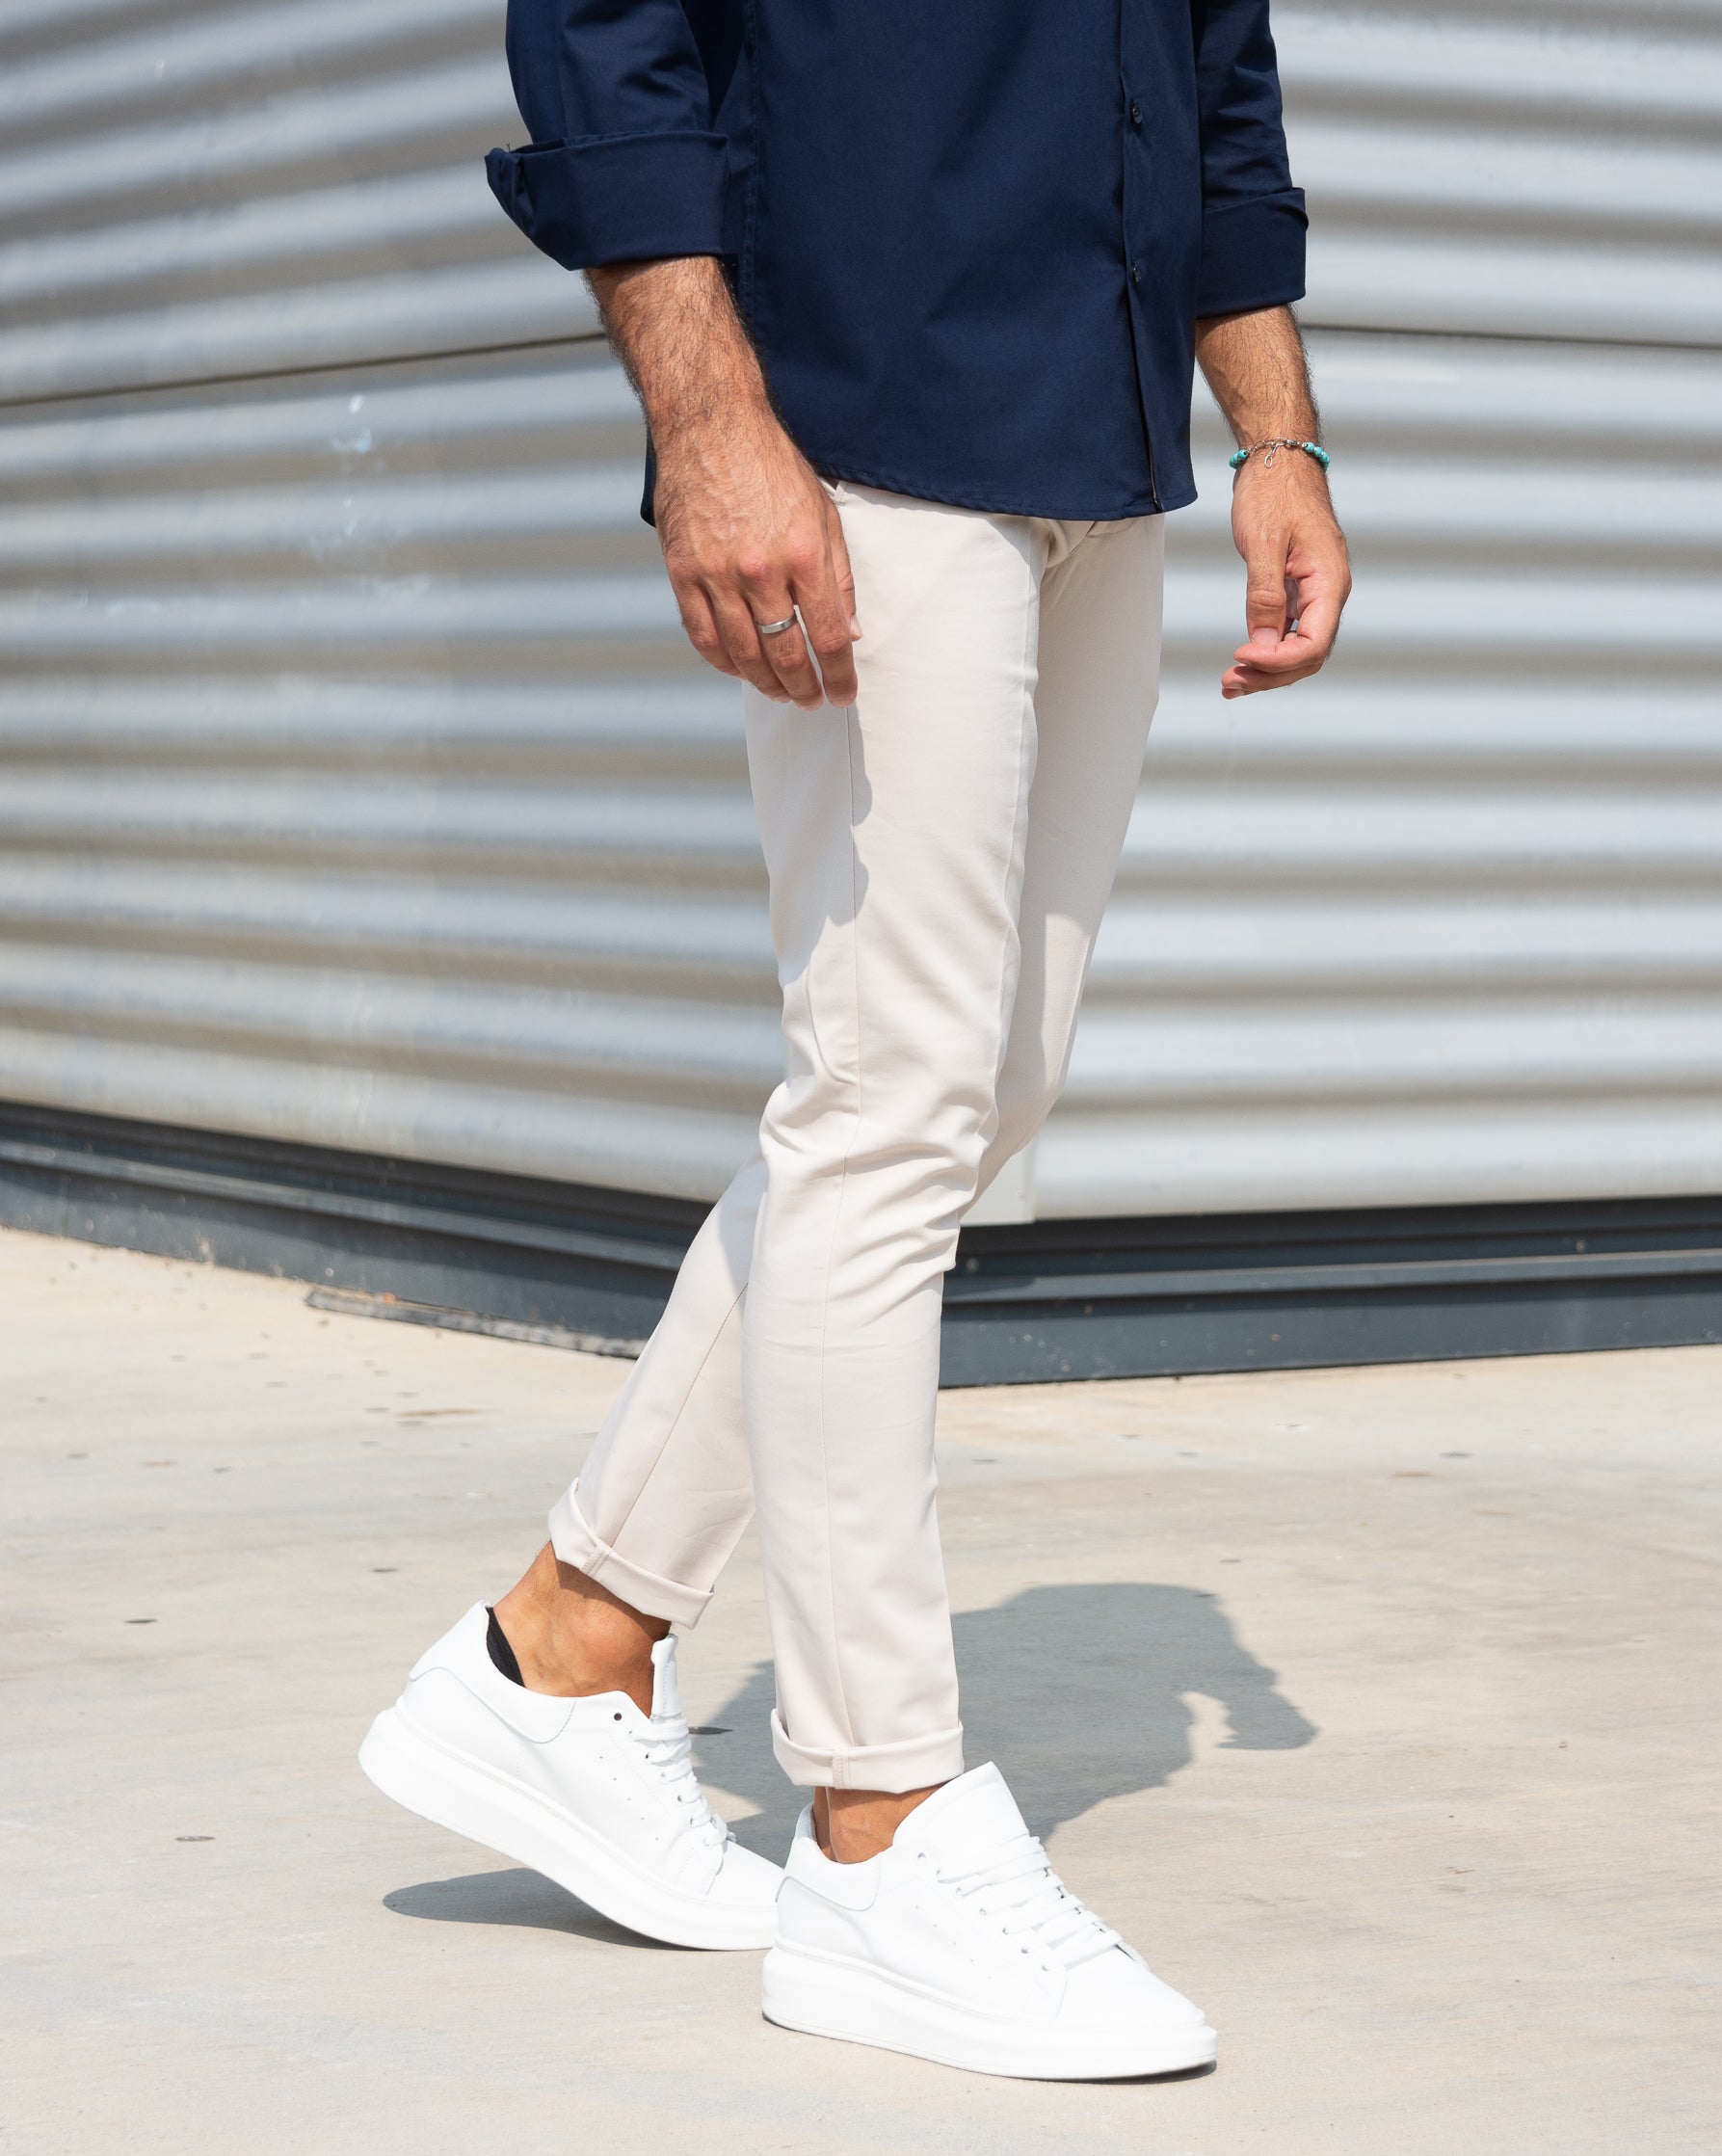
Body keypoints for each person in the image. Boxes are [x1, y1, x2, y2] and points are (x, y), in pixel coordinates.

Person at [360, 0, 1350, 2081]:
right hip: (860, 402)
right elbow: (608, 34)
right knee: (891, 1099)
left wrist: (1276, 433)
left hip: (1100, 423)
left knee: (967, 1089)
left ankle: (568, 1644)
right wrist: (710, 417)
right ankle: (879, 1825)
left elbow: (1215, 77)